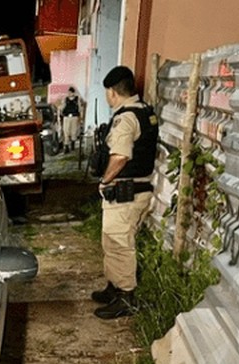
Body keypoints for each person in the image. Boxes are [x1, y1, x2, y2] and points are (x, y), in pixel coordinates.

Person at [92, 65, 159, 319]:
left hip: (125, 193)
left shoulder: (126, 118)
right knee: (112, 241)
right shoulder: (144, 112)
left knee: (120, 244)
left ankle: (126, 296)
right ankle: (114, 288)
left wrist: (104, 179)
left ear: (112, 92)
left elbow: (120, 156)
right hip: (134, 191)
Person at [59, 86, 82, 152]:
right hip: (66, 117)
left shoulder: (77, 99)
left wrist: (81, 117)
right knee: (66, 131)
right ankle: (66, 146)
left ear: (73, 92)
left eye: (70, 92)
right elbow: (62, 107)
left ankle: (72, 144)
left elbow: (79, 108)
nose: (69, 94)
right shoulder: (65, 99)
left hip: (74, 117)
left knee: (73, 132)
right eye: (68, 92)